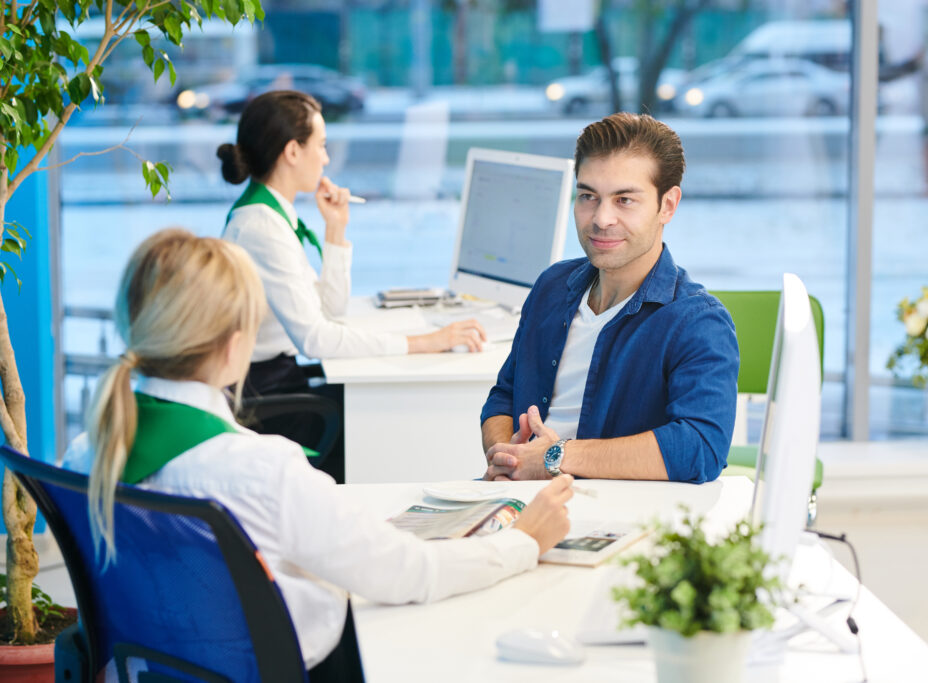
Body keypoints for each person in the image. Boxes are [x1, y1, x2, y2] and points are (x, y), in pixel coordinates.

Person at [64, 229, 574, 681]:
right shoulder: (260, 469)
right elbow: (409, 574)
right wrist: (524, 541)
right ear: (231, 348)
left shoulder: (86, 454)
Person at [481, 112, 739, 484]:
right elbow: (504, 397)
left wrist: (556, 458)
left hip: (607, 518)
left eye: (624, 200)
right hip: (514, 495)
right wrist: (509, 457)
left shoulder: (697, 322)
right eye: (588, 196)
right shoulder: (552, 286)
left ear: (667, 205)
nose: (601, 218)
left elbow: (701, 447)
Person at [217, 90, 485, 400]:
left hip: (278, 378)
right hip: (266, 393)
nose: (326, 158)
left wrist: (335, 228)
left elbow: (331, 310)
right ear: (292, 152)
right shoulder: (262, 228)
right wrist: (424, 342)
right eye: (321, 145)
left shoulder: (269, 217)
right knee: (388, 406)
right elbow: (316, 339)